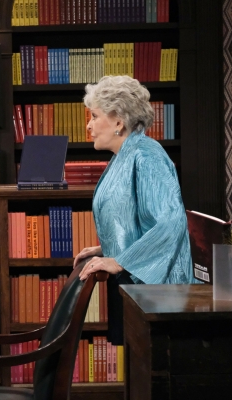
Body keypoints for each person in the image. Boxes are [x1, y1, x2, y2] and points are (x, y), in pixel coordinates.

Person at [73, 75, 198, 345]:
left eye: (94, 116)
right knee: (133, 361)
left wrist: (119, 261)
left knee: (149, 363)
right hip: (134, 279)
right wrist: (106, 248)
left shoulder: (146, 155)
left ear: (118, 121)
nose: (89, 125)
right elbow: (135, 221)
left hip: (156, 290)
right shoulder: (124, 155)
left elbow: (170, 223)